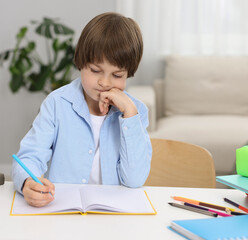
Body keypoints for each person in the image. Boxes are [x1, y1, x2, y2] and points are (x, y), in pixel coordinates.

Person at [12, 12, 152, 207]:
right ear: (81, 63)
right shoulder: (56, 103)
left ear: (129, 73)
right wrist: (28, 182)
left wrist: (129, 114)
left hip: (114, 216)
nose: (105, 82)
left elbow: (135, 180)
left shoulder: (136, 112)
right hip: (63, 211)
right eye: (95, 71)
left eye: (117, 75)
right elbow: (30, 156)